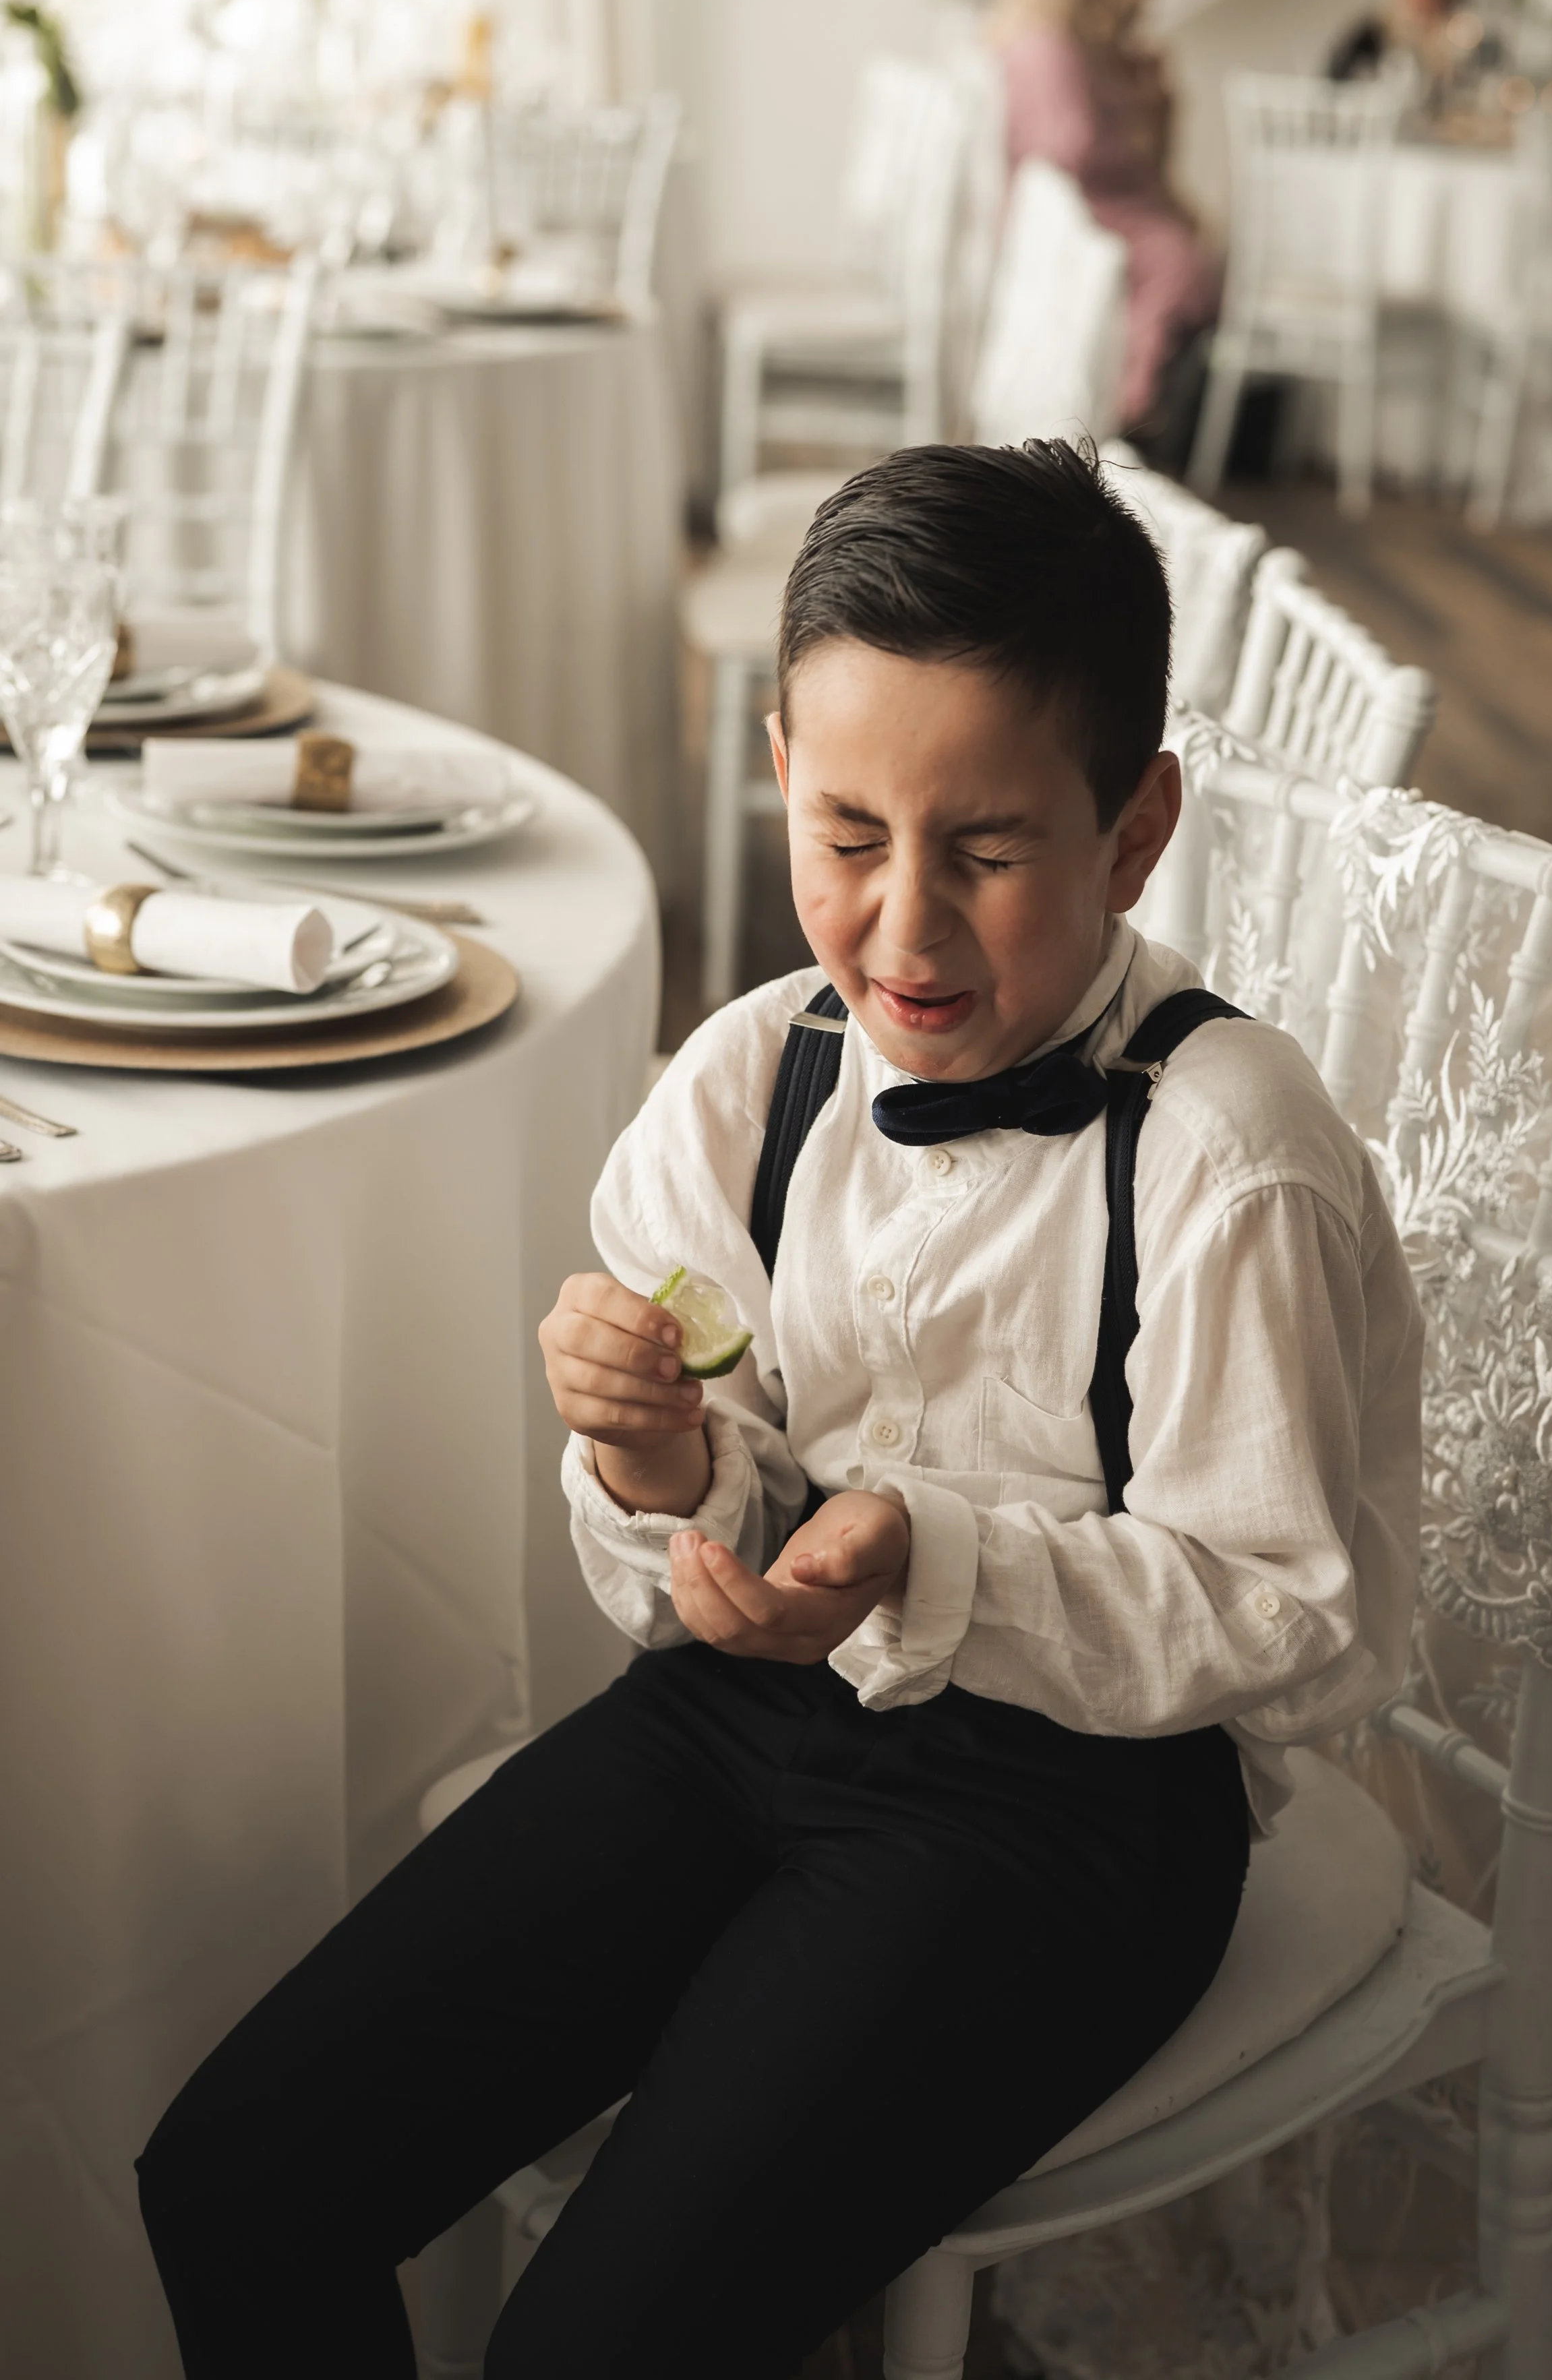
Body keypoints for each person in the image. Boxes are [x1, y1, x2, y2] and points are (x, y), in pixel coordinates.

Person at [136, 440, 1421, 2380]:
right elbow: (688, 1557)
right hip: (745, 1719)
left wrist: (936, 1554)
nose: (904, 933)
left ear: (1136, 829)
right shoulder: (749, 1080)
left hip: (1078, 1805)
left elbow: (1295, 1617)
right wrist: (666, 1472)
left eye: (986, 852)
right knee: (232, 2181)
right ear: (779, 772)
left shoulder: (1227, 1157)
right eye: (848, 836)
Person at [996, 0, 1222, 450]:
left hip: (1110, 196)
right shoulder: (1046, 48)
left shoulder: (1085, 50)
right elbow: (1070, 149)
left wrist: (1154, 107)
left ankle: (1147, 396)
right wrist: (1136, 124)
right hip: (1082, 207)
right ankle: (1134, 402)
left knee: (1192, 243)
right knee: (1177, 259)